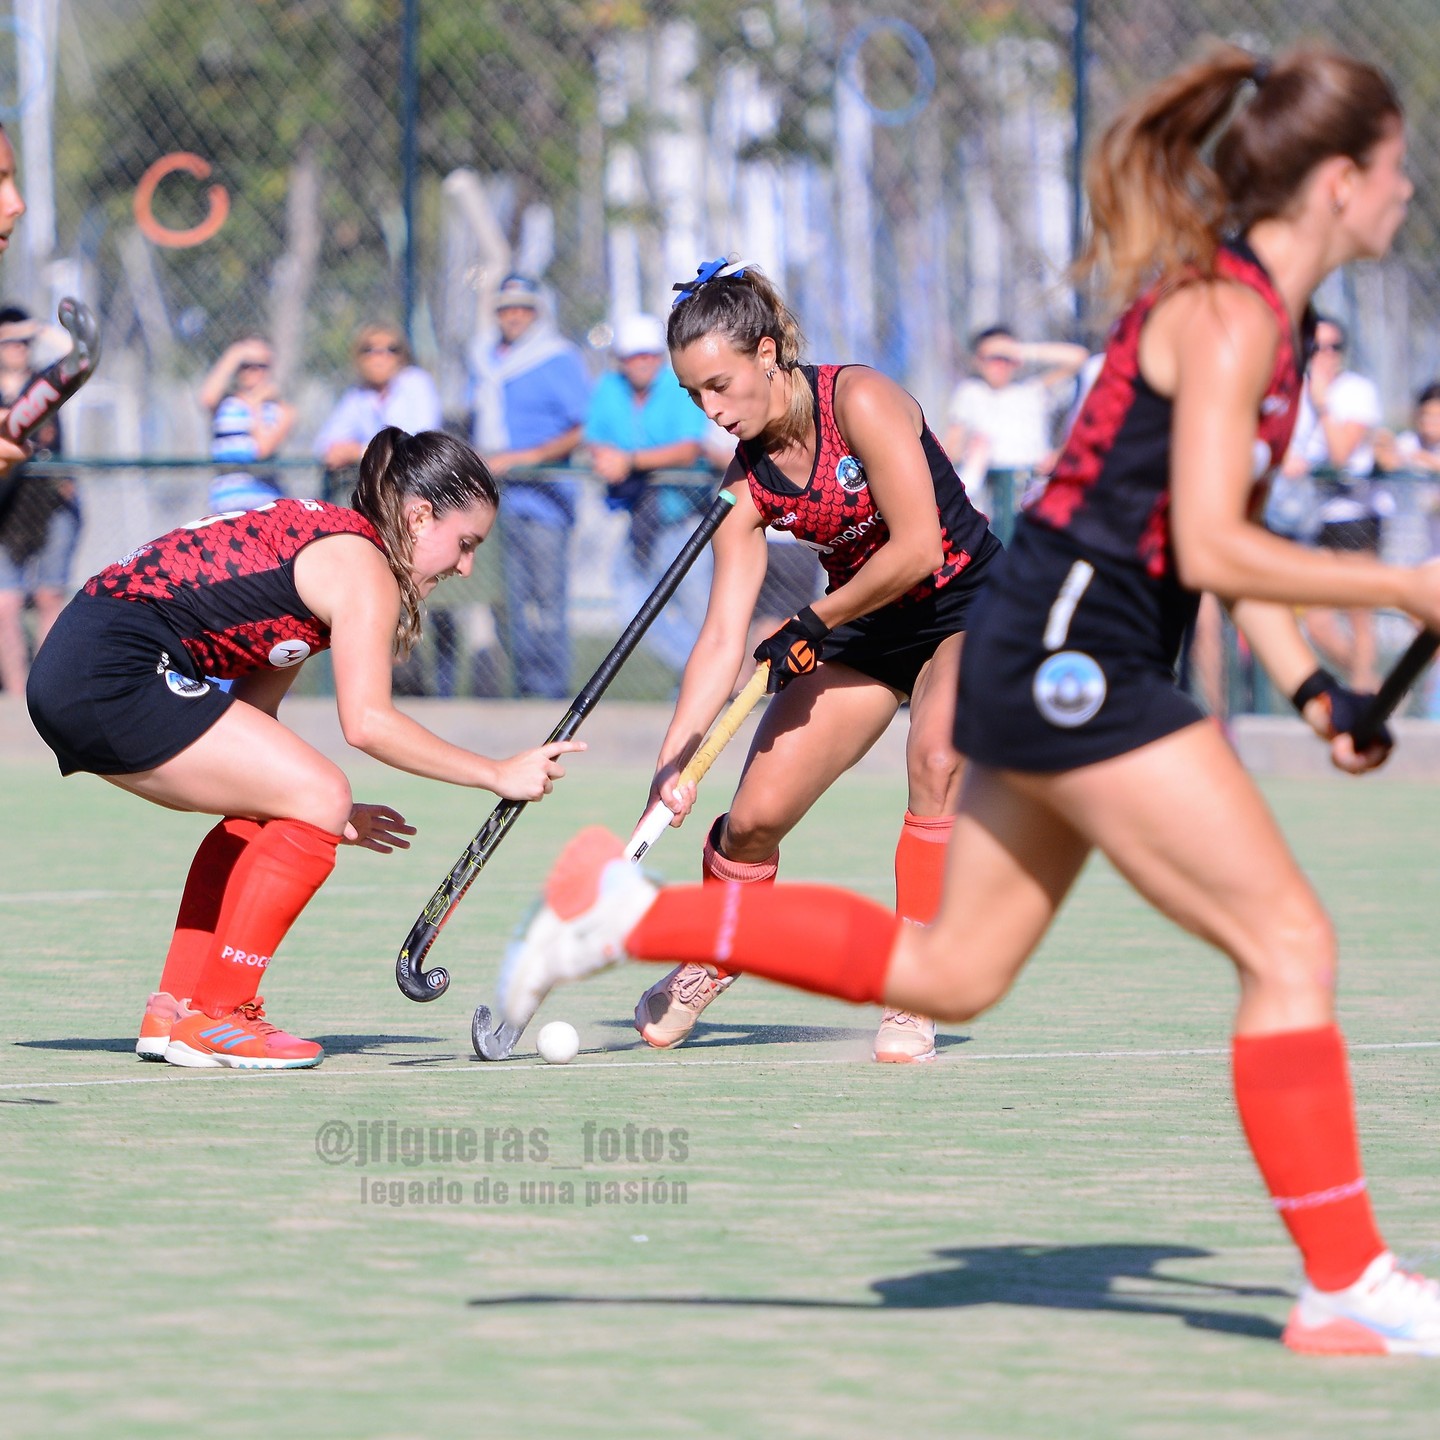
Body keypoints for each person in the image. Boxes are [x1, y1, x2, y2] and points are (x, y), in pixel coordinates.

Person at [499, 47, 1440, 1355]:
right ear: (1339, 182)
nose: (1407, 188)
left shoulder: (1253, 324)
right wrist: (1403, 581)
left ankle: (636, 917)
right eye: (1396, 165)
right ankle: (1348, 1280)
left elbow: (1220, 530)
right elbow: (1218, 549)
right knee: (1289, 944)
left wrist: (1320, 688)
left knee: (955, 970)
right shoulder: (1225, 316)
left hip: (1036, 643)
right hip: (1074, 658)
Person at [26, 428, 583, 1072]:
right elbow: (368, 723)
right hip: (112, 665)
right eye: (464, 544)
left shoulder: (328, 550)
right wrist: (496, 772)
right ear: (418, 513)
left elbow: (252, 721)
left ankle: (177, 1010)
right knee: (320, 790)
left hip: (79, 662)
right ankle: (221, 1016)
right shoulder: (362, 564)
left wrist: (316, 815)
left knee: (289, 802)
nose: (465, 568)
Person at [610, 260, 1002, 1064]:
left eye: (720, 385)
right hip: (862, 628)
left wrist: (812, 619)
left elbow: (919, 547)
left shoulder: (859, 400)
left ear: (766, 353)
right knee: (752, 820)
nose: (712, 411)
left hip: (967, 605)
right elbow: (722, 633)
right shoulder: (745, 481)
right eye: (694, 397)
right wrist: (674, 759)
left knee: (936, 758)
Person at [470, 273, 591, 698]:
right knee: (510, 603)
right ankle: (523, 688)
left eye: (522, 307)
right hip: (495, 501)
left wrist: (527, 458)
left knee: (548, 603)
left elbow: (584, 426)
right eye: (506, 307)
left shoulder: (557, 358)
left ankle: (552, 692)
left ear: (536, 312)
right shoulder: (484, 360)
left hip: (545, 502)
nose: (514, 315)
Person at [584, 313, 716, 674]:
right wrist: (608, 458)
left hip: (684, 518)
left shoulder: (678, 386)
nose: (641, 364)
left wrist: (629, 460)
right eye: (632, 357)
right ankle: (701, 672)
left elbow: (689, 448)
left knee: (699, 607)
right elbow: (595, 439)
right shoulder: (609, 388)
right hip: (638, 518)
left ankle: (713, 676)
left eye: (647, 356)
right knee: (631, 603)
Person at [1281, 315, 1385, 689]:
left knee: (1359, 616)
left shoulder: (1355, 391)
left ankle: (1365, 705)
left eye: (1333, 347)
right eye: (1316, 347)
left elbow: (1341, 454)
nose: (1325, 355)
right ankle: (1371, 688)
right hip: (1311, 518)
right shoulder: (1294, 391)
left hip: (1354, 516)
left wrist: (1323, 404)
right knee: (1318, 623)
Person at [0, 306, 80, 694]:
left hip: (51, 502)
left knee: (50, 596)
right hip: (5, 505)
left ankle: (47, 690)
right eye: (9, 339)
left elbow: (81, 356)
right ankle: (16, 696)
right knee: (6, 604)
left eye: (23, 340)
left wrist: (39, 328)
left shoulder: (44, 381)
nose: (18, 346)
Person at [943, 324, 1090, 516]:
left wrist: (1022, 350)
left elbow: (1080, 359)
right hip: (990, 489)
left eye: (1005, 358)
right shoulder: (970, 393)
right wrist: (970, 452)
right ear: (978, 360)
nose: (999, 365)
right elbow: (950, 448)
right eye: (991, 358)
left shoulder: (1031, 390)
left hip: (1032, 483)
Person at [312, 323, 442, 504]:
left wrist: (359, 451)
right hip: (375, 491)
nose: (380, 357)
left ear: (401, 356)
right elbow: (324, 444)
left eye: (391, 349)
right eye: (370, 349)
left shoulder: (416, 383)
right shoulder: (358, 394)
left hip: (415, 487)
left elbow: (418, 444)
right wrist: (339, 450)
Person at [198, 334, 295, 513]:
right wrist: (235, 353)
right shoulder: (225, 404)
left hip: (265, 504)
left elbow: (262, 449)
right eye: (246, 365)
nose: (252, 371)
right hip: (226, 503)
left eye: (260, 366)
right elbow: (206, 397)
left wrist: (255, 404)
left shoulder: (282, 410)